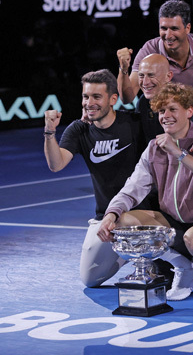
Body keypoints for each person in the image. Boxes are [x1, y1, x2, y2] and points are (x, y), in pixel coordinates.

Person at [97, 83, 193, 303]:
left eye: (172, 109)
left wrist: (180, 154)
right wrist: (111, 214)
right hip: (178, 223)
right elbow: (133, 187)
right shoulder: (154, 148)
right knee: (124, 224)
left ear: (189, 111)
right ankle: (186, 268)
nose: (165, 116)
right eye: (161, 111)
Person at [43, 69, 150, 288]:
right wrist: (49, 133)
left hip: (143, 212)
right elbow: (56, 164)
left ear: (113, 99)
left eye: (96, 97)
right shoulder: (79, 130)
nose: (89, 103)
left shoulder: (134, 123)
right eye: (85, 96)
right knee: (90, 279)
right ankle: (126, 254)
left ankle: (152, 256)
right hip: (105, 217)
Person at [117, 52, 193, 154]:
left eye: (151, 75)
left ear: (168, 76)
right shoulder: (143, 103)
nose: (145, 82)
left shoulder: (183, 99)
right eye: (141, 76)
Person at [119, 0, 193, 108]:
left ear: (187, 28)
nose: (168, 35)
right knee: (143, 104)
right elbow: (127, 98)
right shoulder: (149, 51)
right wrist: (123, 69)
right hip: (165, 118)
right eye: (163, 28)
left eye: (174, 28)